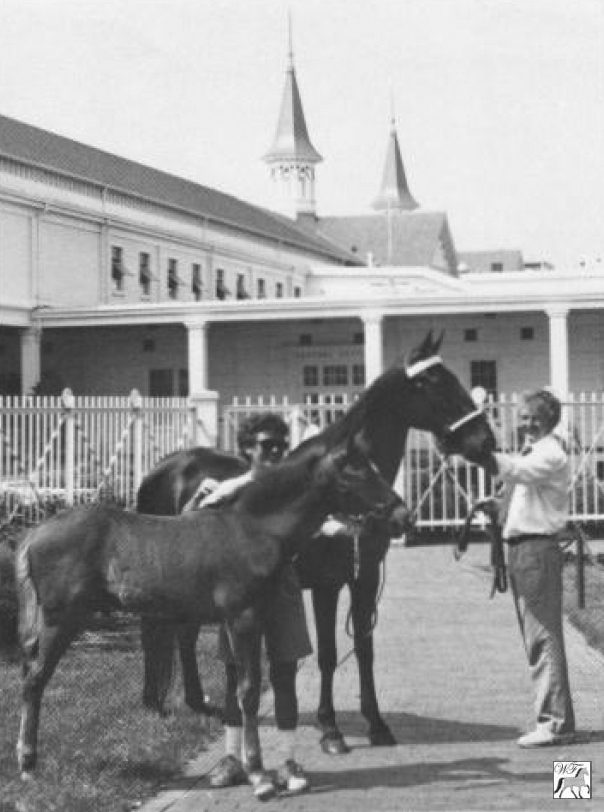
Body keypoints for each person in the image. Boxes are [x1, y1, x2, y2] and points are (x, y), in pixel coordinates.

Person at [184, 412, 342, 799]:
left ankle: (288, 759)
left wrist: (341, 527)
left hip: (282, 587)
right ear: (246, 449)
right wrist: (196, 500)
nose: (274, 452)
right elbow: (188, 527)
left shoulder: (297, 489)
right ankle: (232, 758)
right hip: (237, 592)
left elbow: (320, 523)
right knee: (236, 671)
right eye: (265, 445)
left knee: (285, 671)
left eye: (280, 446)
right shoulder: (230, 489)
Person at [486, 388, 576, 748]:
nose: (524, 423)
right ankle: (555, 719)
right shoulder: (535, 452)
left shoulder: (549, 454)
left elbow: (516, 471)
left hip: (536, 550)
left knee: (543, 636)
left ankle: (555, 723)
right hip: (523, 550)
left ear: (546, 420)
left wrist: (480, 453)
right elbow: (519, 488)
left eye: (531, 418)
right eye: (522, 417)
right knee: (537, 636)